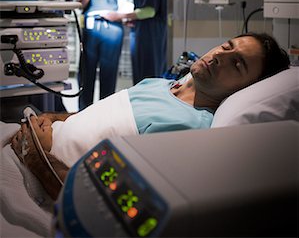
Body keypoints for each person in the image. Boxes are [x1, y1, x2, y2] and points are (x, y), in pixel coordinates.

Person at [11, 32, 290, 200]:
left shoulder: (190, 127)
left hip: (37, 181)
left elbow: (103, 202)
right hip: (30, 147)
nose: (219, 56)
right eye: (228, 46)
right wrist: (53, 117)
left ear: (244, 89)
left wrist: (37, 157)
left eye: (237, 63)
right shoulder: (159, 84)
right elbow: (93, 116)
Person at [75, 0, 131, 109]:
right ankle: (83, 113)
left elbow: (125, 5)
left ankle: (105, 113)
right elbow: (79, 4)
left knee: (109, 72)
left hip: (112, 30)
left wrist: (120, 15)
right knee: (86, 72)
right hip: (91, 28)